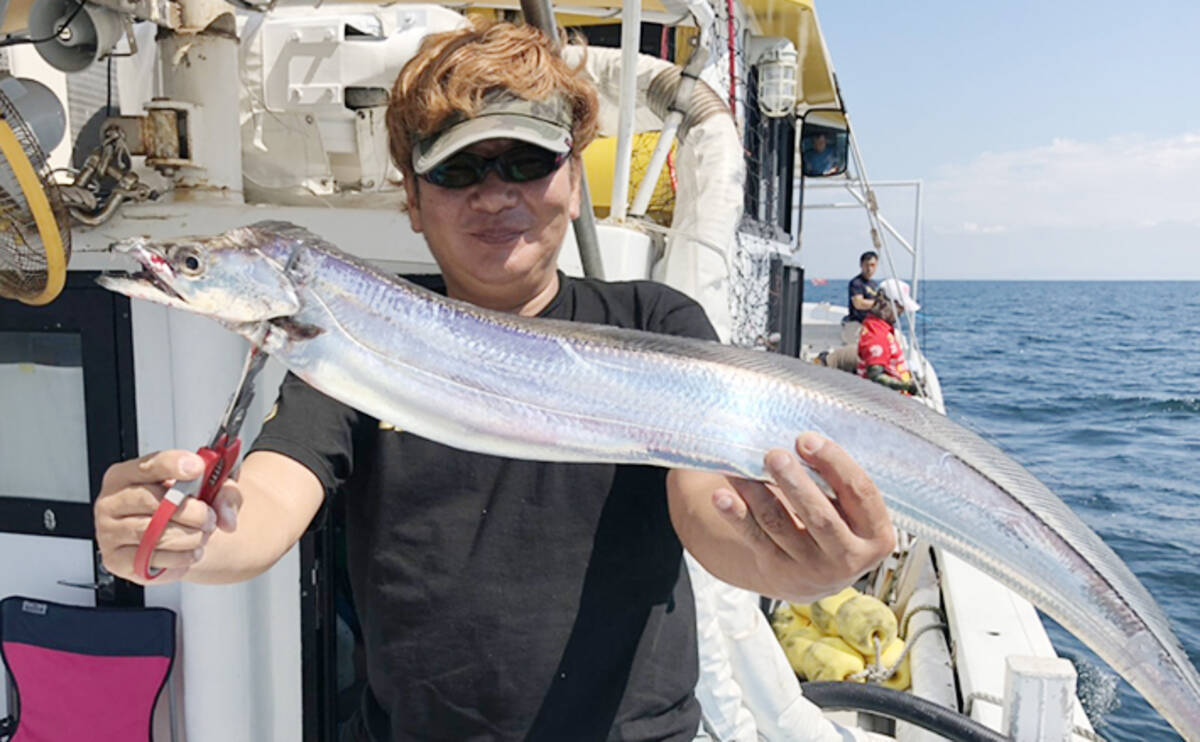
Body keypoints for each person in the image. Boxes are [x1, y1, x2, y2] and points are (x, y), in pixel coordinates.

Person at [93, 20, 895, 742]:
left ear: (572, 179)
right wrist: (181, 541)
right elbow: (266, 505)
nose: (495, 193)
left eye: (527, 161)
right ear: (411, 198)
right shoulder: (353, 342)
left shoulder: (655, 320)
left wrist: (796, 565)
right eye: (457, 169)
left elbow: (706, 512)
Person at [856, 278, 920, 395]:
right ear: (886, 304)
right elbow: (874, 376)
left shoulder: (883, 327)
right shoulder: (876, 335)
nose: (901, 312)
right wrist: (906, 386)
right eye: (900, 307)